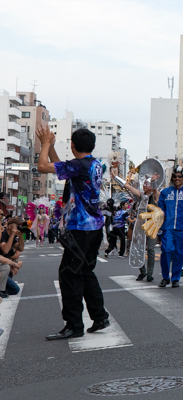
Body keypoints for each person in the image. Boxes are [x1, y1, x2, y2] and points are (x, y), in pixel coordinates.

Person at [36, 125, 111, 341]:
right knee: (85, 271)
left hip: (81, 228)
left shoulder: (79, 165)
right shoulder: (93, 164)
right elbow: (60, 166)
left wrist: (47, 144)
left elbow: (42, 166)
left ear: (72, 145)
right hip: (95, 227)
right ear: (93, 145)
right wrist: (49, 146)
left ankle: (74, 324)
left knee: (69, 273)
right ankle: (99, 316)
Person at [153, 166, 183, 288]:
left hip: (182, 227)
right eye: (175, 176)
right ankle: (165, 277)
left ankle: (175, 278)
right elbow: (160, 209)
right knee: (166, 250)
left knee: (179, 253)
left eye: (180, 176)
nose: (177, 178)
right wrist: (158, 220)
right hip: (167, 227)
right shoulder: (165, 192)